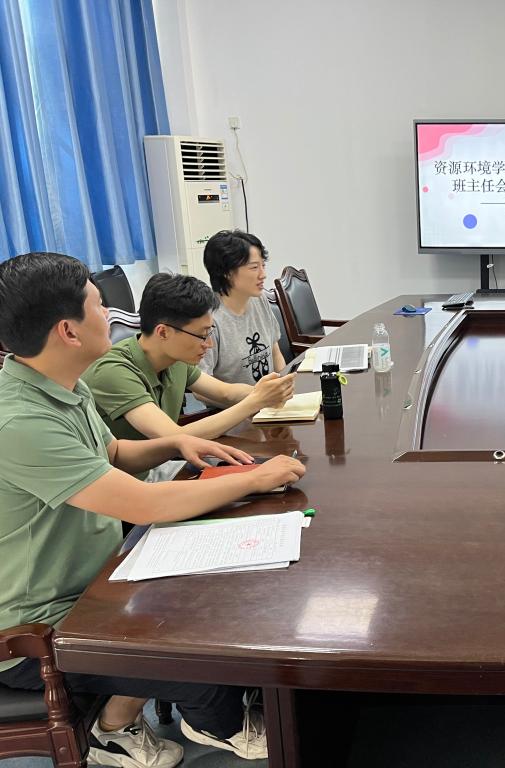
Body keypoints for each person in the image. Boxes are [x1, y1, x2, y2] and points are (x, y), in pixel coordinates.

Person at [0, 253, 306, 767]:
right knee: (201, 648)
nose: (113, 316)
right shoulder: (20, 421)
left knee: (225, 596)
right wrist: (255, 478)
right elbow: (142, 502)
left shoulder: (60, 385)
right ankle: (210, 720)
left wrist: (175, 444)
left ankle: (118, 722)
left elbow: (113, 454)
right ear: (68, 332)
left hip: (100, 577)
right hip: (40, 628)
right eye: (99, 306)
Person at [83, 273, 296, 467]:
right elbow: (175, 437)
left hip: (163, 466)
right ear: (163, 332)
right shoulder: (113, 370)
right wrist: (255, 401)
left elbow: (225, 392)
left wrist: (269, 392)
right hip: (130, 480)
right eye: (202, 335)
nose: (209, 344)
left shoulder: (175, 358)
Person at [200, 230, 285, 391]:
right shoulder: (209, 319)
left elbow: (275, 353)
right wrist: (255, 397)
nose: (263, 275)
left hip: (271, 400)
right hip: (235, 406)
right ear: (226, 272)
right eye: (254, 267)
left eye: (263, 265)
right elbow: (201, 387)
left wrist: (284, 386)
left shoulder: (259, 299)